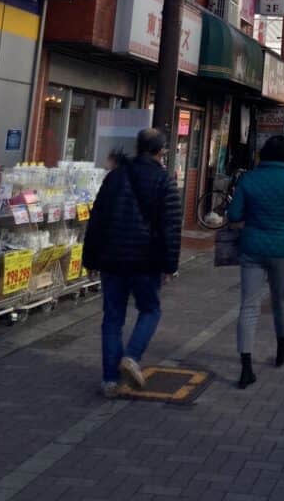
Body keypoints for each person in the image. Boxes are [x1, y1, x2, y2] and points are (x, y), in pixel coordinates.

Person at [83, 128, 182, 398]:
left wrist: (89, 258)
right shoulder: (163, 180)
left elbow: (97, 219)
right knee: (150, 310)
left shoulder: (115, 177)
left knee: (112, 318)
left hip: (112, 259)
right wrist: (169, 265)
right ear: (161, 151)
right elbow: (171, 227)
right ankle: (132, 356)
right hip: (145, 261)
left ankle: (109, 380)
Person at [227, 134, 284, 390]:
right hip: (281, 250)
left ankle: (246, 367)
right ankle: (283, 343)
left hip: (251, 248)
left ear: (263, 154)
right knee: (281, 300)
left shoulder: (249, 179)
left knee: (249, 306)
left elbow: (233, 214)